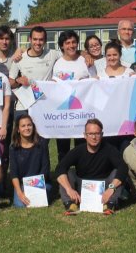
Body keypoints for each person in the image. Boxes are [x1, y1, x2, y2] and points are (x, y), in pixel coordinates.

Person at [55, 119, 129, 215]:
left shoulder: (109, 149)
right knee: (68, 173)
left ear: (102, 135)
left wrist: (111, 188)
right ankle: (70, 204)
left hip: (104, 186)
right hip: (82, 186)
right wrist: (69, 189)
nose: (94, 137)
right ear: (85, 135)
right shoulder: (78, 150)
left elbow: (123, 168)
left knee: (117, 173)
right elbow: (60, 168)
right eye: (90, 134)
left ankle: (110, 204)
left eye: (97, 134)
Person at [49, 30, 94, 160]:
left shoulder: (86, 61)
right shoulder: (58, 64)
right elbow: (55, 86)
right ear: (62, 46)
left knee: (82, 146)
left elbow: (95, 81)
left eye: (74, 42)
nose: (71, 45)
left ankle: (81, 176)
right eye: (67, 43)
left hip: (83, 111)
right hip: (64, 112)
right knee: (63, 148)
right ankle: (63, 175)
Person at [10, 26, 61, 124]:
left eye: (41, 39)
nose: (38, 43)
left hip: (44, 105)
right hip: (24, 106)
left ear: (45, 41)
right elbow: (10, 82)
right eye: (35, 39)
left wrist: (86, 55)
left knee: (43, 138)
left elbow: (71, 54)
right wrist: (17, 81)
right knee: (23, 139)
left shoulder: (52, 54)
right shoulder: (19, 58)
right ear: (30, 39)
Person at [8, 114, 51, 208]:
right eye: (23, 126)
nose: (27, 128)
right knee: (20, 204)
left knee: (38, 203)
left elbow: (45, 168)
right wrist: (19, 192)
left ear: (33, 126)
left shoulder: (42, 143)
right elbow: (13, 173)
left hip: (41, 182)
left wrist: (36, 187)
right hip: (22, 184)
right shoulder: (13, 148)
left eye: (29, 125)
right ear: (18, 129)